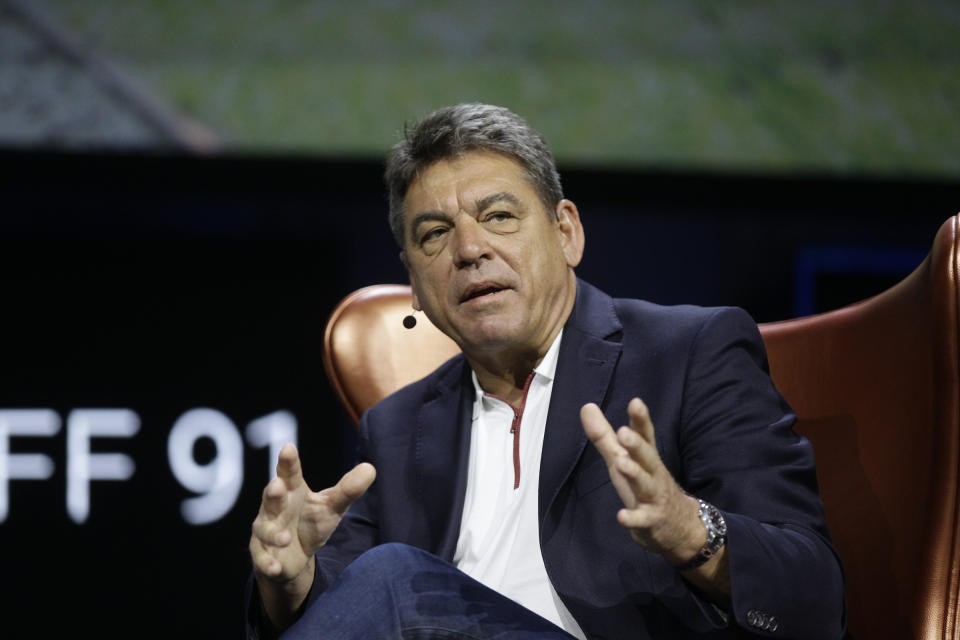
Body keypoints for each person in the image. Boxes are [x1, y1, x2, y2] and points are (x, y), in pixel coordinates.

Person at [247, 104, 845, 639]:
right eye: (434, 234)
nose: (469, 249)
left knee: (394, 578)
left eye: (500, 216)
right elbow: (342, 620)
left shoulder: (686, 353)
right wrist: (291, 582)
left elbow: (814, 595)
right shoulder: (398, 429)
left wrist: (691, 533)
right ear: (415, 286)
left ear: (566, 232)